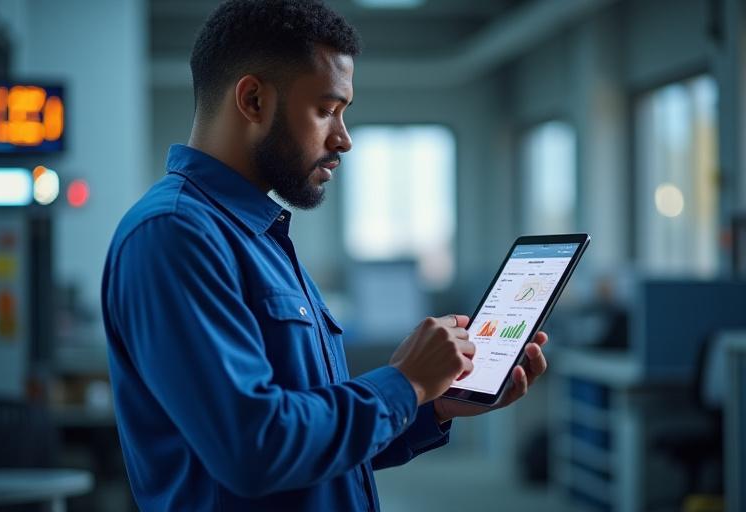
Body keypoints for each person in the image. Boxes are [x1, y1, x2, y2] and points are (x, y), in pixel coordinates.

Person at [101, 1, 549, 510]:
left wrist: (430, 403)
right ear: (252, 100)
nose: (344, 139)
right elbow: (255, 450)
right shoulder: (175, 234)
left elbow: (313, 453)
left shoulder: (260, 235)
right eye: (327, 110)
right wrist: (403, 384)